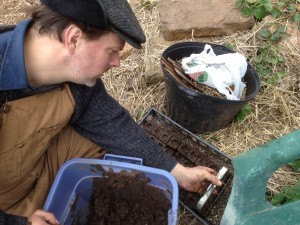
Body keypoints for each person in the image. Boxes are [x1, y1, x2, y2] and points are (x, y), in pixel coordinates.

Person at [0, 0, 222, 224]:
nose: (116, 62)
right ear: (73, 39)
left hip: (37, 163)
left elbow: (111, 123)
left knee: (115, 153)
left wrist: (178, 173)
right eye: (112, 51)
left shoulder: (73, 74)